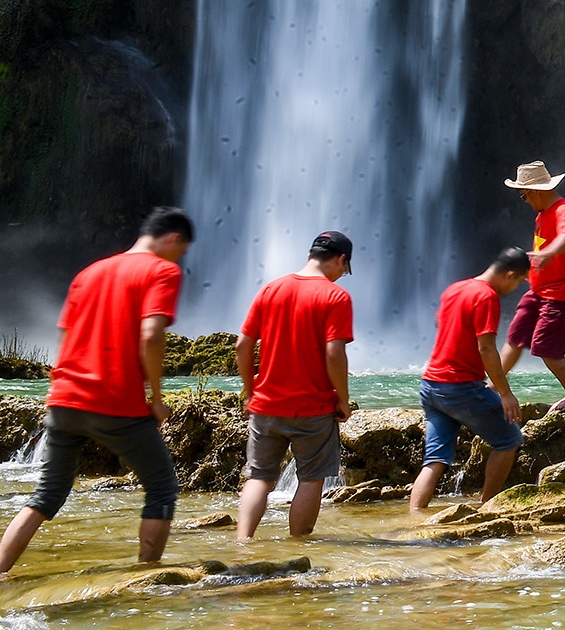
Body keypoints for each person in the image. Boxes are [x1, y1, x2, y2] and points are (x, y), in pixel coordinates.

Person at [0, 207, 193, 575]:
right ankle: (147, 578)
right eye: (181, 251)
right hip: (115, 401)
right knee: (162, 486)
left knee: (45, 496)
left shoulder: (89, 273)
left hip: (64, 399)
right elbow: (151, 335)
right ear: (173, 239)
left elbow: (65, 334)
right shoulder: (162, 271)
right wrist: (155, 396)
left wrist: (63, 384)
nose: (179, 259)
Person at [234, 231, 355, 542]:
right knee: (312, 479)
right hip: (312, 408)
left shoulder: (271, 289)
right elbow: (334, 353)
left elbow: (242, 345)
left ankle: (243, 541)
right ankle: (297, 547)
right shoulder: (335, 297)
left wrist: (251, 392)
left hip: (267, 406)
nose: (343, 276)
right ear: (340, 260)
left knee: (259, 478)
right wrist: (343, 398)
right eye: (345, 269)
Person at [408, 247, 530, 513]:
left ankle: (414, 519)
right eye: (520, 281)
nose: (517, 287)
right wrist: (505, 393)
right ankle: (486, 508)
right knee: (509, 439)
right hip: (459, 387)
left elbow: (440, 325)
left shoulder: (455, 289)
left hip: (430, 386)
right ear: (509, 275)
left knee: (435, 460)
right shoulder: (486, 296)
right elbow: (486, 348)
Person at [500, 160, 565, 411]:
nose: (525, 201)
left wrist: (547, 254)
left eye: (523, 195)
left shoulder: (563, 210)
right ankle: (493, 387)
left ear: (536, 191)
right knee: (516, 335)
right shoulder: (542, 215)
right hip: (539, 292)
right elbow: (543, 253)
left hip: (564, 293)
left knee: (547, 347)